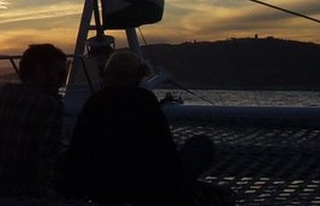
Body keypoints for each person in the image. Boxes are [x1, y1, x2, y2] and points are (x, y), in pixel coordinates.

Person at [65, 49, 223, 206]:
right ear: (138, 77)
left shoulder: (95, 102)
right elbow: (165, 150)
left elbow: (78, 149)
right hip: (148, 189)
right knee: (202, 145)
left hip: (102, 189)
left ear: (108, 75)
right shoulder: (146, 100)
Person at [0, 43, 68, 197]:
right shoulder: (50, 106)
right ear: (40, 72)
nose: (62, 82)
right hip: (26, 189)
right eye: (60, 74)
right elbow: (45, 163)